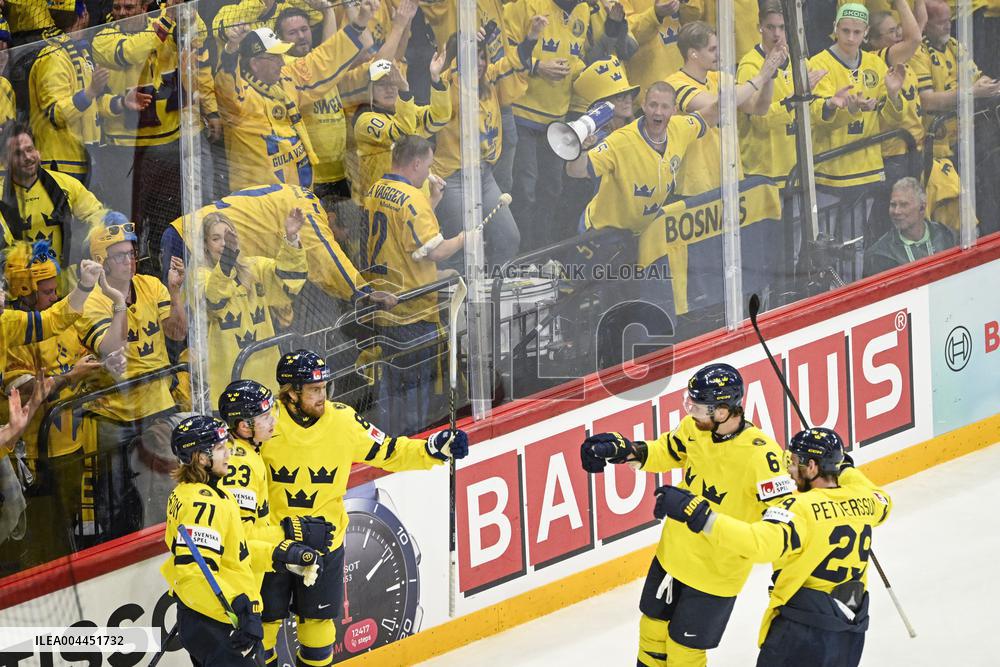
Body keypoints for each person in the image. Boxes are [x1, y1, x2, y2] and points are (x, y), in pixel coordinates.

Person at [259, 349, 469, 667]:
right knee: (260, 635)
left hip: (324, 545)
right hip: (273, 546)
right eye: (314, 390)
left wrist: (431, 448)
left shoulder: (343, 420)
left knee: (318, 638)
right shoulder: (264, 424)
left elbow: (388, 450)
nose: (323, 396)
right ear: (290, 393)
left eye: (324, 388)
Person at [580, 363, 793, 667]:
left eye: (699, 406)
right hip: (673, 556)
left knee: (684, 653)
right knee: (652, 634)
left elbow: (784, 518)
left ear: (723, 411)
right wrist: (626, 451)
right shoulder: (695, 428)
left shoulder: (763, 456)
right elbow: (668, 450)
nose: (691, 411)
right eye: (690, 403)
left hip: (716, 574)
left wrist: (784, 575)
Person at [653, 428, 892, 667]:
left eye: (794, 461)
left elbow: (758, 544)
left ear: (811, 466)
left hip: (803, 630)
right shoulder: (865, 500)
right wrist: (845, 470)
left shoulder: (800, 508)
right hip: (850, 630)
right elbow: (884, 501)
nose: (788, 469)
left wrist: (699, 515)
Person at [162, 414, 323, 667]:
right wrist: (241, 608)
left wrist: (282, 555)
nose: (228, 454)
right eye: (218, 448)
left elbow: (236, 553)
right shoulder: (202, 503)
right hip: (219, 621)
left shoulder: (201, 493)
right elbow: (194, 573)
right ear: (201, 458)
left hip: (210, 616)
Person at [2, 241, 117, 565]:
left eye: (56, 290)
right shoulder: (12, 336)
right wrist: (71, 376)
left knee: (77, 537)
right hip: (36, 457)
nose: (53, 297)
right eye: (47, 291)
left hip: (71, 447)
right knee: (38, 545)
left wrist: (83, 286)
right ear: (24, 291)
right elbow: (24, 391)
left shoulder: (22, 322)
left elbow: (56, 319)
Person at [76, 221, 186, 540]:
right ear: (102, 262)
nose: (130, 261)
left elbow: (177, 331)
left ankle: (164, 539)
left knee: (166, 482)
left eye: (132, 253)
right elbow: (113, 346)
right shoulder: (91, 301)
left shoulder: (152, 285)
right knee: (112, 498)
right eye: (121, 256)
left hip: (157, 405)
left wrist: (175, 291)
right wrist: (117, 302)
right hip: (113, 413)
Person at [362, 135, 463, 434]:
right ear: (417, 163)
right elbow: (434, 250)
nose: (429, 171)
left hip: (385, 300)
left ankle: (388, 442)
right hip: (412, 309)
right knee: (414, 390)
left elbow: (404, 233)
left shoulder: (377, 188)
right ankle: (410, 448)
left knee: (391, 385)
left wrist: (432, 201)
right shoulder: (412, 198)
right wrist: (466, 237)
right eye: (429, 165)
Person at [215, 7, 375, 192]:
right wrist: (231, 48)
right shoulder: (240, 98)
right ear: (254, 63)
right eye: (275, 58)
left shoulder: (286, 78)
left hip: (299, 195)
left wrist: (359, 23)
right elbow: (225, 83)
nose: (282, 62)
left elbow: (323, 59)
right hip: (261, 202)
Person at [433, 19, 540, 272]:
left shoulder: (490, 78)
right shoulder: (450, 82)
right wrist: (463, 44)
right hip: (454, 178)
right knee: (461, 251)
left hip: (484, 175)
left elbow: (512, 63)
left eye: (483, 57)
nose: (480, 63)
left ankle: (494, 296)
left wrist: (532, 38)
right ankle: (457, 307)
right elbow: (447, 71)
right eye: (473, 56)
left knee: (509, 238)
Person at [808, 3, 905, 244]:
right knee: (825, 246)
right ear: (835, 28)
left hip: (866, 170)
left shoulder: (875, 65)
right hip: (830, 172)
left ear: (866, 33)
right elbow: (815, 119)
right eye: (845, 31)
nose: (850, 38)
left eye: (857, 33)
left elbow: (891, 120)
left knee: (855, 244)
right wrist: (843, 109)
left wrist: (893, 95)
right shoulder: (818, 64)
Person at [664, 20, 786, 198]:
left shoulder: (719, 77)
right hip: (695, 187)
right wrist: (761, 76)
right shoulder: (675, 84)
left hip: (729, 179)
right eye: (712, 49)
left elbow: (758, 107)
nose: (719, 54)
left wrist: (771, 74)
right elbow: (719, 105)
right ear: (693, 54)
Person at [199, 208, 307, 400]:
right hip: (228, 386)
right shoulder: (200, 276)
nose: (224, 244)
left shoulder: (256, 267)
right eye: (215, 239)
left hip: (267, 380)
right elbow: (214, 300)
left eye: (228, 236)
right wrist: (228, 260)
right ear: (205, 245)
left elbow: (289, 280)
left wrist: (291, 238)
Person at [0, 122, 108, 269]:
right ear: (5, 161)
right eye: (18, 153)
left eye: (30, 149)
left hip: (67, 283)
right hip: (21, 284)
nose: (27, 157)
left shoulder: (66, 184)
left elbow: (98, 216)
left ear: (38, 152)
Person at [352, 54, 451, 203]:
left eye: (394, 83)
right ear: (370, 89)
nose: (390, 89)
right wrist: (404, 91)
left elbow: (440, 116)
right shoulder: (364, 121)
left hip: (415, 201)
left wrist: (436, 80)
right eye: (382, 84)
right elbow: (403, 137)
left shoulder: (407, 110)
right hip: (383, 204)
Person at [27, 0, 105, 182]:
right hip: (61, 163)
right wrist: (90, 92)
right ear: (83, 15)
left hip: (81, 157)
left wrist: (122, 102)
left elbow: (91, 105)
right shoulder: (53, 56)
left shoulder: (79, 53)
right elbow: (56, 113)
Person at [862, 176, 956, 277]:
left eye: (903, 205)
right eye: (893, 205)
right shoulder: (879, 255)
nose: (896, 211)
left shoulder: (947, 237)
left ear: (922, 208)